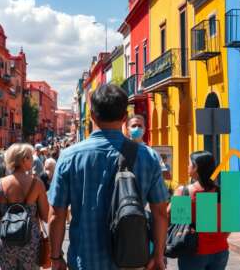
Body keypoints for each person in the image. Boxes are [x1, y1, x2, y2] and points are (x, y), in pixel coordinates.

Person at [48, 84, 169, 270]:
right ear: (124, 118)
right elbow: (160, 212)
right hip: (132, 261)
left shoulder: (69, 157)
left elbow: (57, 214)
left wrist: (55, 257)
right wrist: (158, 255)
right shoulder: (148, 157)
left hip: (86, 261)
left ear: (93, 117)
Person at [0, 143, 49, 270]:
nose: (33, 160)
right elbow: (45, 216)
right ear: (23, 159)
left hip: (5, 239)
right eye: (30, 157)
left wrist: (6, 211)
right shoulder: (37, 184)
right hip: (30, 240)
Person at [169, 151, 229, 270]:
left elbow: (173, 218)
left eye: (189, 163)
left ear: (196, 167)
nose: (187, 166)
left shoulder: (184, 192)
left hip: (194, 252)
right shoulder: (222, 192)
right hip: (220, 251)